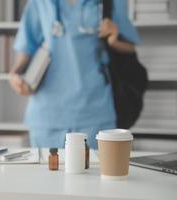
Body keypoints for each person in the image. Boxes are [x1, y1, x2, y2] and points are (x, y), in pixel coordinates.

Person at [9, 0, 139, 149]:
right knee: (46, 171)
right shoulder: (39, 3)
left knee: (95, 171)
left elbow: (130, 47)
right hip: (47, 115)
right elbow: (27, 49)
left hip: (95, 111)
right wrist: (14, 75)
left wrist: (113, 39)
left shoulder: (111, 2)